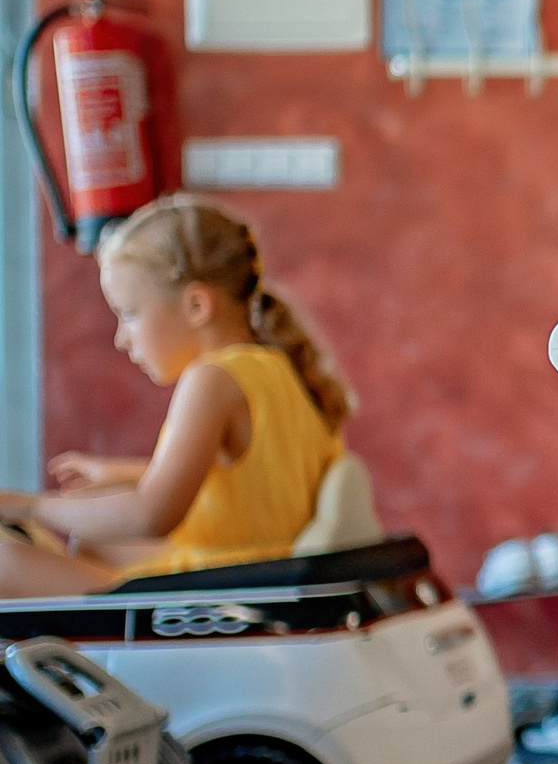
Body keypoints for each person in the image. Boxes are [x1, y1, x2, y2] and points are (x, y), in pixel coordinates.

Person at [0, 195, 355, 596]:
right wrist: (118, 474)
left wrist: (34, 507)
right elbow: (246, 483)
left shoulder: (212, 379)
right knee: (95, 538)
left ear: (197, 305)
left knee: (5, 563)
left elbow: (152, 516)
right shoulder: (276, 366)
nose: (121, 338)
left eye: (130, 314)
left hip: (216, 589)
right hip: (253, 564)